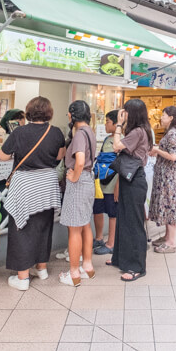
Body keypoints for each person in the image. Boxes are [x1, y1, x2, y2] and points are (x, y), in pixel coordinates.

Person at [0, 97, 65, 291]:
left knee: (21, 228)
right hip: (47, 184)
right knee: (43, 225)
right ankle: (42, 268)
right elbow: (60, 156)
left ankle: (22, 278)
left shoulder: (20, 132)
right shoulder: (55, 132)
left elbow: (3, 155)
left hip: (25, 185)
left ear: (29, 112)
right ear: (49, 112)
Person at [108, 99, 151, 281]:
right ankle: (120, 258)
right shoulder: (141, 130)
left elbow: (116, 145)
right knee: (124, 219)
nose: (123, 114)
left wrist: (118, 124)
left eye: (125, 112)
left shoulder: (137, 131)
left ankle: (137, 267)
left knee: (133, 223)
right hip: (130, 178)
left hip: (134, 180)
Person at [59, 100, 97, 287]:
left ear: (71, 115)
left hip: (79, 182)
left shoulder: (80, 134)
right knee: (85, 225)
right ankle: (87, 267)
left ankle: (74, 272)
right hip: (88, 180)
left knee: (74, 228)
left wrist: (74, 176)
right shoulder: (90, 131)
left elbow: (80, 160)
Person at [149, 106, 176, 253]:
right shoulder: (170, 133)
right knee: (166, 204)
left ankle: (171, 243)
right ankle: (166, 237)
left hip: (169, 177)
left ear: (171, 118)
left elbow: (173, 157)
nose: (161, 118)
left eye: (164, 115)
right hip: (165, 176)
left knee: (169, 206)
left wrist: (157, 150)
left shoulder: (173, 134)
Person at [93, 110, 119, 256]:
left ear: (116, 123)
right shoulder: (107, 139)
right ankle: (99, 238)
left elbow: (123, 164)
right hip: (100, 183)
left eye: (108, 121)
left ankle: (111, 243)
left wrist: (117, 186)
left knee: (112, 213)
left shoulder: (120, 139)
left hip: (112, 183)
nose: (105, 124)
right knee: (97, 209)